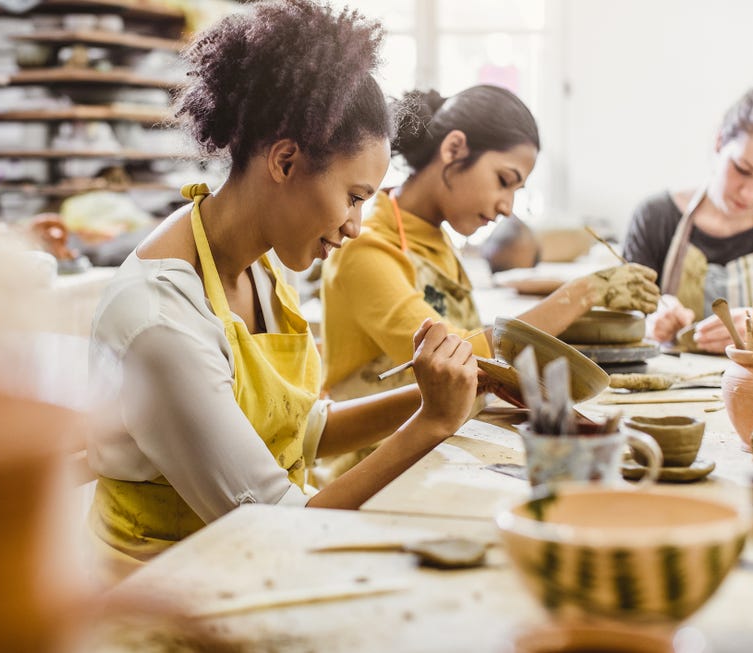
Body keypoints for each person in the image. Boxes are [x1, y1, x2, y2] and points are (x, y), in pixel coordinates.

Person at [85, 0, 479, 584]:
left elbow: (301, 428)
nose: (356, 225)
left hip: (246, 568)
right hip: (163, 598)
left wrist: (452, 396)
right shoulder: (161, 320)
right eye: (353, 197)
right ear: (286, 161)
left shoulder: (262, 266)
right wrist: (431, 426)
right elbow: (277, 531)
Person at [321, 85, 660, 402]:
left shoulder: (433, 236)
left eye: (515, 192)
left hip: (436, 438)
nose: (507, 207)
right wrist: (583, 293)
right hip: (375, 456)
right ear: (454, 149)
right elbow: (458, 356)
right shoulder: (365, 246)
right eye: (503, 181)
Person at [623, 81, 753, 353]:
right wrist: (650, 320)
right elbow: (622, 320)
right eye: (742, 169)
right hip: (670, 390)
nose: (748, 194)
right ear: (720, 141)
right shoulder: (655, 217)